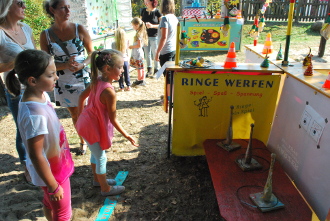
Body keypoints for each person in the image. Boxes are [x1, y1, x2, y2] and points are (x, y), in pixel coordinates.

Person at [6, 49, 74, 221]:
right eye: (51, 75)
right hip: (52, 173)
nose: (56, 78)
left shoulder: (40, 95)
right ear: (33, 80)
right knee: (63, 213)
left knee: (50, 203)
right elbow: (36, 155)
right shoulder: (34, 114)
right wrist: (52, 185)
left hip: (55, 165)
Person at [76, 49, 139, 196]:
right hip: (91, 126)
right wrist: (128, 136)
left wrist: (80, 116)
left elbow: (81, 97)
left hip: (85, 124)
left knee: (95, 153)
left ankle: (98, 180)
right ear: (107, 69)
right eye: (120, 67)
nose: (123, 70)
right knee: (101, 157)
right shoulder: (109, 91)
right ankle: (105, 189)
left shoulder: (97, 80)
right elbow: (113, 119)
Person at [40, 0, 93, 155]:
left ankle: (92, 139)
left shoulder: (79, 29)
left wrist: (82, 65)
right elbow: (45, 62)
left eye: (69, 7)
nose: (68, 11)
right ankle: (82, 141)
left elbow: (92, 54)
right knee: (74, 113)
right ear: (52, 10)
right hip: (63, 81)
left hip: (82, 79)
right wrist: (64, 66)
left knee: (86, 111)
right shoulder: (46, 35)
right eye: (63, 7)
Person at [0, 0, 36, 183]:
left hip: (37, 88)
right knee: (23, 130)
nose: (24, 6)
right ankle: (26, 165)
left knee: (39, 126)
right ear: (6, 6)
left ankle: (40, 162)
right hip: (16, 90)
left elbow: (36, 55)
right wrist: (15, 63)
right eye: (20, 3)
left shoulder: (26, 28)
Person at [155, 0, 178, 103]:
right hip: (173, 50)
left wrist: (157, 52)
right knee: (171, 76)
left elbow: (163, 37)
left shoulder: (165, 18)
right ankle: (169, 96)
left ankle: (169, 99)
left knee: (168, 77)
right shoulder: (174, 18)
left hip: (166, 51)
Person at [140, 0, 161, 78]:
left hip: (154, 36)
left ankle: (157, 69)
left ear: (153, 2)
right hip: (145, 36)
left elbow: (161, 25)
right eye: (145, 2)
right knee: (147, 54)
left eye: (147, 1)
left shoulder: (157, 12)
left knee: (155, 53)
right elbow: (140, 23)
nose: (146, 3)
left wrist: (152, 26)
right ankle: (149, 70)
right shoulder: (143, 11)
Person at [129, 17, 148, 87]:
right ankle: (141, 79)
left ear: (136, 25)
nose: (132, 27)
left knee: (139, 67)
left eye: (133, 25)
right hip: (139, 52)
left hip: (138, 52)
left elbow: (139, 45)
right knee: (141, 66)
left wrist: (131, 46)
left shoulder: (139, 34)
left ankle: (140, 79)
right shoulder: (140, 32)